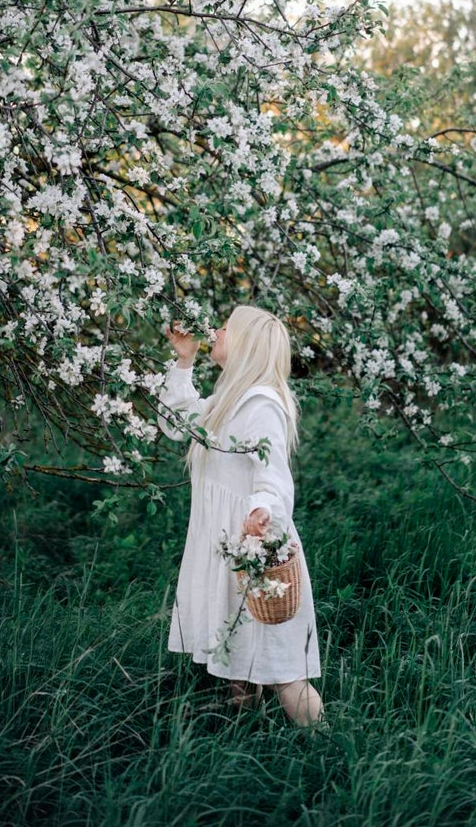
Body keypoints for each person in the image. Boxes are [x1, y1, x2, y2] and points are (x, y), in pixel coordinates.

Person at [159, 304, 324, 726]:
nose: (215, 331)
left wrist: (260, 515)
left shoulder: (261, 404)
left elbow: (274, 480)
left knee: (282, 669)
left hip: (252, 546)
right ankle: (243, 731)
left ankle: (326, 747)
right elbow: (178, 424)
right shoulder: (227, 399)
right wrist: (184, 360)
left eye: (226, 328)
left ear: (247, 344)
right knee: (236, 654)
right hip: (227, 546)